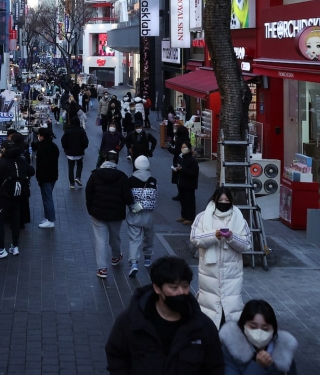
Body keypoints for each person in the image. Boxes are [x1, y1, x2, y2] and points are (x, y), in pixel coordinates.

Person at [105, 256, 225, 375]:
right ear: (157, 288)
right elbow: (116, 356)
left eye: (185, 286)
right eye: (174, 287)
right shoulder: (131, 322)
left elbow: (215, 366)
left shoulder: (203, 327)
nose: (181, 292)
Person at [190, 187, 252, 328]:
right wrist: (213, 236)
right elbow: (194, 238)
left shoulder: (239, 218)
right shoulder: (202, 217)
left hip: (232, 274)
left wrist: (231, 237)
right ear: (214, 200)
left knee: (231, 308)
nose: (223, 202)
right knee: (209, 307)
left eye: (226, 200)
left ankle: (230, 335)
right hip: (209, 272)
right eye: (220, 200)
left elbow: (247, 243)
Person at [85, 151, 133, 278]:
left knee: (100, 239)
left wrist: (90, 208)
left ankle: (102, 269)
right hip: (116, 214)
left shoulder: (95, 175)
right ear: (116, 162)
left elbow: (88, 192)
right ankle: (116, 256)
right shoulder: (122, 177)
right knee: (115, 236)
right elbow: (128, 196)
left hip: (98, 212)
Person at [220, 299, 298, 375]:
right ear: (243, 326)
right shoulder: (230, 350)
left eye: (265, 329)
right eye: (253, 327)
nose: (259, 333)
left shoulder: (284, 351)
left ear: (273, 329)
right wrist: (258, 367)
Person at [0, 138, 35, 259]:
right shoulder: (21, 160)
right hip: (18, 195)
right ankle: (15, 246)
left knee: (0, 222)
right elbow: (31, 171)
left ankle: (1, 249)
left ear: (4, 149)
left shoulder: (1, 162)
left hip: (4, 196)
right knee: (15, 221)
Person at [126, 156, 158, 277]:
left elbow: (127, 196)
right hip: (148, 214)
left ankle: (134, 262)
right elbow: (156, 196)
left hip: (135, 214)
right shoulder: (153, 181)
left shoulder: (130, 180)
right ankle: (148, 258)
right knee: (149, 236)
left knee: (134, 239)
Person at [33, 127, 59, 229]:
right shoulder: (53, 146)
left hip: (46, 177)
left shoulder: (43, 148)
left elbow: (42, 165)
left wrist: (40, 178)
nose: (38, 137)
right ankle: (48, 217)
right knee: (46, 198)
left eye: (39, 135)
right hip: (52, 176)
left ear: (42, 136)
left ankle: (50, 220)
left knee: (47, 198)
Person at [173, 141, 200, 224]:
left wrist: (182, 170)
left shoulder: (192, 160)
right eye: (182, 147)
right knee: (183, 200)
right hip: (182, 183)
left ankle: (190, 218)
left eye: (185, 147)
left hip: (189, 184)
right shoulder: (181, 158)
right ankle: (184, 216)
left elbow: (193, 172)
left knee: (189, 201)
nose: (183, 149)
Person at [61, 117, 89, 189]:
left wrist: (65, 148)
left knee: (71, 167)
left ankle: (71, 183)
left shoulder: (68, 131)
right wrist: (83, 148)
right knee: (79, 164)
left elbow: (63, 140)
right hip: (79, 152)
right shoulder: (82, 131)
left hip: (70, 153)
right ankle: (78, 177)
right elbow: (86, 142)